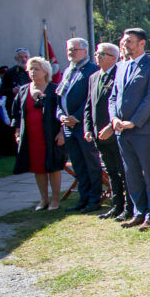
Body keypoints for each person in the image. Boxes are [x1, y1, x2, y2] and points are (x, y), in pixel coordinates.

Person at [109, 27, 150, 231]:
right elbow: (114, 96)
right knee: (131, 173)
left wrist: (133, 121)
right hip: (122, 131)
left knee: (149, 172)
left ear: (142, 43)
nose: (125, 44)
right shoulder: (121, 66)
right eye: (124, 40)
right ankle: (138, 211)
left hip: (142, 130)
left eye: (130, 41)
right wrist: (114, 118)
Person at [84, 43, 130, 220]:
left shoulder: (120, 75)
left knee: (123, 171)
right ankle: (116, 205)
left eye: (101, 54)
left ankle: (129, 207)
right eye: (96, 53)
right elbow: (89, 106)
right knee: (111, 172)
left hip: (115, 132)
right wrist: (88, 128)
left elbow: (120, 105)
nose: (97, 56)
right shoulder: (94, 77)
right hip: (98, 133)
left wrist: (112, 126)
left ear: (113, 57)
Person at [12, 56, 66, 209]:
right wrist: (17, 131)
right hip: (32, 136)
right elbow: (16, 113)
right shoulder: (24, 90)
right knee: (37, 167)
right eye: (30, 69)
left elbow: (62, 111)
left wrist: (62, 132)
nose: (33, 72)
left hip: (50, 135)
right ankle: (44, 199)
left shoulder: (54, 89)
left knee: (53, 166)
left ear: (45, 71)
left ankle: (55, 199)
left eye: (36, 69)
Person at [57, 38, 102, 213]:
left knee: (91, 163)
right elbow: (60, 96)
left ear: (84, 51)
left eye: (74, 50)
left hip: (83, 125)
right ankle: (83, 198)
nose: (71, 53)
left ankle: (94, 198)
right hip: (68, 126)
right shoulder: (68, 70)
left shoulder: (91, 70)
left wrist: (76, 116)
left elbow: (91, 98)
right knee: (78, 164)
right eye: (69, 50)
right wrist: (61, 115)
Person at [1, 48, 31, 118]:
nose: (24, 59)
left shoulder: (34, 71)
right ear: (16, 58)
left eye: (26, 57)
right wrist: (12, 90)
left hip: (31, 104)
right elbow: (2, 90)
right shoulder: (10, 72)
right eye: (21, 57)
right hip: (15, 105)